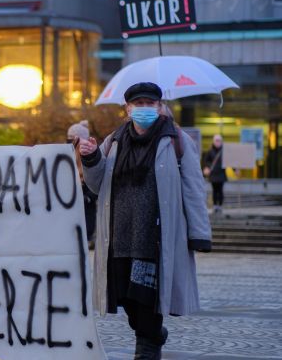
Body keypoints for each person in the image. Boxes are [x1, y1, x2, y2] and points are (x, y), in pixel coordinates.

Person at [77, 82, 211, 359]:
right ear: (127, 109)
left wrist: (199, 233)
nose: (144, 109)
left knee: (148, 307)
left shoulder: (176, 140)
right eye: (138, 104)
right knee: (128, 301)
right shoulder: (114, 140)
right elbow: (96, 183)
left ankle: (148, 346)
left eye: (150, 104)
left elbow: (194, 188)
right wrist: (90, 159)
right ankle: (153, 335)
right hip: (119, 238)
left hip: (155, 241)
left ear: (160, 107)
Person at [68, 121, 97, 243]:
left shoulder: (87, 150)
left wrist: (90, 195)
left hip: (86, 188)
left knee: (87, 217)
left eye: (71, 139)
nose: (69, 142)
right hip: (75, 188)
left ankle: (88, 237)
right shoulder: (70, 150)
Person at [203, 134, 226, 214]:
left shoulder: (224, 151)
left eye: (219, 140)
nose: (218, 142)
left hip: (221, 174)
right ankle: (215, 206)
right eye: (216, 140)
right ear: (213, 141)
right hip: (213, 175)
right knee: (214, 191)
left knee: (220, 191)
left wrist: (235, 169)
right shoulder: (210, 151)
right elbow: (205, 161)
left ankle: (220, 205)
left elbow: (229, 160)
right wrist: (208, 167)